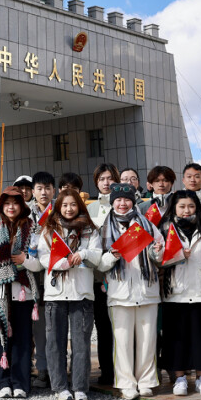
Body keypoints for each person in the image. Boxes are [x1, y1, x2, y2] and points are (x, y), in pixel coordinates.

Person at [159, 189, 201, 397]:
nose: (186, 210)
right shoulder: (163, 229)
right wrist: (177, 255)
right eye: (182, 206)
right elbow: (156, 259)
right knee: (176, 338)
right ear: (174, 208)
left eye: (190, 206)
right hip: (175, 292)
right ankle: (180, 377)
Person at [99, 183, 164, 400]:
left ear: (133, 201)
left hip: (147, 289)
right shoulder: (104, 227)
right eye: (118, 199)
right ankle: (126, 383)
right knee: (122, 340)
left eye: (126, 200)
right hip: (119, 292)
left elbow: (159, 255)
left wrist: (157, 252)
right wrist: (113, 256)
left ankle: (146, 381)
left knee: (148, 339)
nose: (123, 203)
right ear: (112, 202)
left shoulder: (147, 225)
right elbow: (99, 263)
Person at [37, 188, 101, 400]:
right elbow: (43, 256)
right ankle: (60, 387)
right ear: (58, 207)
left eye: (73, 204)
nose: (69, 208)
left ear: (79, 206)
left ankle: (80, 387)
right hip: (56, 294)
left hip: (82, 293)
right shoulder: (48, 229)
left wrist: (83, 254)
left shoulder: (90, 230)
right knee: (55, 343)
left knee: (81, 343)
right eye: (64, 205)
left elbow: (97, 256)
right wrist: (60, 263)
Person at [0, 187, 39, 398]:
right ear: (1, 206)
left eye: (15, 203)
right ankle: (1, 381)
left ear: (22, 205)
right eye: (7, 204)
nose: (11, 207)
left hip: (23, 289)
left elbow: (40, 259)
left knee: (23, 338)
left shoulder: (32, 227)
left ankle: (20, 382)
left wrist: (26, 261)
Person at [88, 162, 119, 386]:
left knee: (123, 327)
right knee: (104, 327)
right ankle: (107, 371)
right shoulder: (89, 208)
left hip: (123, 276)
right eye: (102, 179)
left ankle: (124, 371)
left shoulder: (127, 204)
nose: (106, 183)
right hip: (98, 277)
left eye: (110, 178)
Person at [28, 171, 57, 389]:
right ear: (33, 191)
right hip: (30, 278)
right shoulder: (25, 213)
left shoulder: (60, 212)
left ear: (53, 190)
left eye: (47, 188)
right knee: (38, 329)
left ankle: (57, 369)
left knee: (55, 328)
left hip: (56, 276)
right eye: (39, 188)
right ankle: (43, 370)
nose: (43, 192)